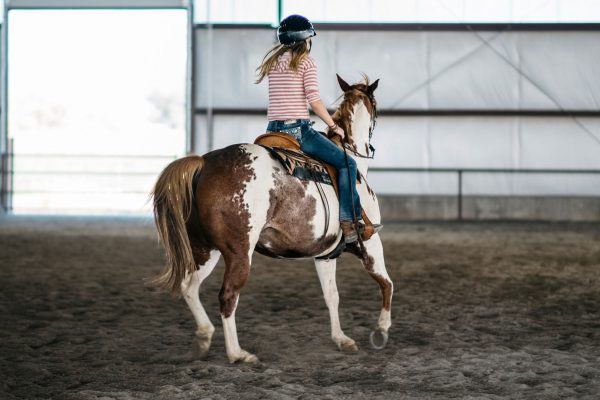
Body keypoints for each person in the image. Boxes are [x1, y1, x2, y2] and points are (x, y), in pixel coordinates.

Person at [256, 14, 362, 243]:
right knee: (347, 163)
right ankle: (349, 222)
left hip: (271, 132)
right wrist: (334, 126)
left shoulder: (273, 62)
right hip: (298, 132)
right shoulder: (306, 62)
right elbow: (314, 101)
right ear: (305, 40)